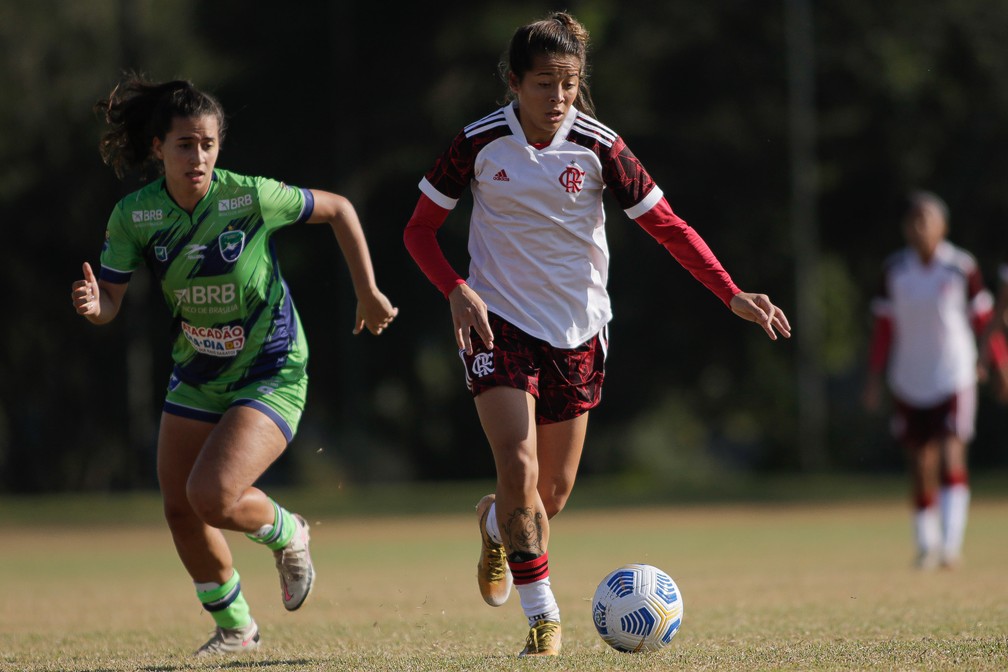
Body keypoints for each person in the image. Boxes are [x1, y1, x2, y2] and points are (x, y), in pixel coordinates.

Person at [403, 12, 790, 657]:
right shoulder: (476, 144)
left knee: (547, 497)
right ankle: (545, 621)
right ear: (513, 82)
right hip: (497, 322)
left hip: (578, 330)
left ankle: (494, 522)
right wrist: (457, 290)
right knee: (517, 464)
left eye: (570, 84)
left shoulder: (600, 147)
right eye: (544, 84)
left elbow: (668, 225)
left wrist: (731, 293)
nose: (558, 99)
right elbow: (418, 230)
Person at [71, 76, 398, 656]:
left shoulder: (246, 196)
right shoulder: (134, 217)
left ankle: (288, 532)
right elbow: (113, 300)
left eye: (208, 144)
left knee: (214, 496)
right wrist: (98, 309)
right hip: (197, 371)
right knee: (180, 506)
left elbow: (341, 209)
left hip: (271, 366)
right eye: (183, 145)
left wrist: (368, 292)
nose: (197, 156)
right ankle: (236, 629)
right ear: (157, 149)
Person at [862, 190, 1003, 570]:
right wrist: (874, 378)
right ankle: (927, 544)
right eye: (914, 219)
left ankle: (951, 546)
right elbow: (883, 329)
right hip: (909, 377)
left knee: (951, 452)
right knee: (919, 462)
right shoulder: (895, 270)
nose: (920, 226)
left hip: (954, 374)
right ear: (905, 228)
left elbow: (983, 320)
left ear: (944, 225)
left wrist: (998, 365)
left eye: (928, 218)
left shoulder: (960, 267)